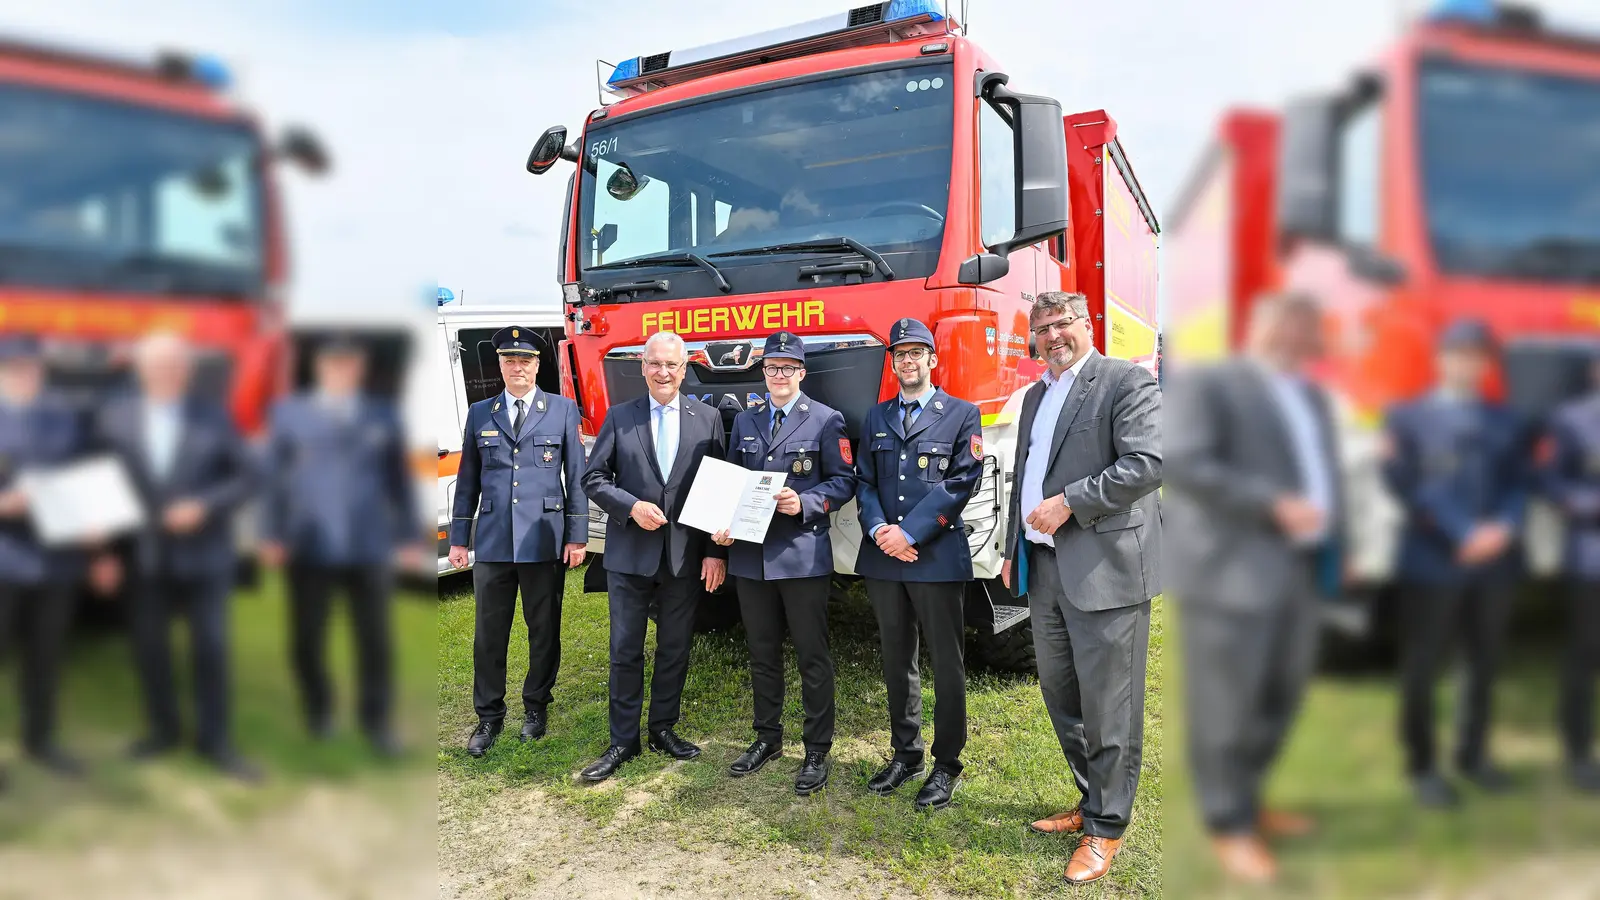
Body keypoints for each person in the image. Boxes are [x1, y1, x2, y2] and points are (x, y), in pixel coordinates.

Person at [1165, 293, 1342, 883]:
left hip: (1299, 567)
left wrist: (1339, 540)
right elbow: (1185, 462)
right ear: (1265, 327)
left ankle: (1252, 799)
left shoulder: (1313, 397)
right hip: (1231, 572)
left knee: (1281, 694)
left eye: (1308, 327)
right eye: (1290, 325)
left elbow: (1325, 475)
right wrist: (1271, 504)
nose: (1301, 337)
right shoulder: (1214, 384)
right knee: (1226, 705)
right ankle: (1228, 824)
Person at [1000, 291, 1162, 885]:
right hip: (1045, 569)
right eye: (1041, 328)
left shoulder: (1125, 381)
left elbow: (1147, 463)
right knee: (1060, 694)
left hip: (1105, 568)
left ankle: (1106, 826)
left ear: (1086, 324)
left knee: (1109, 705)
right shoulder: (1035, 395)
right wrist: (1010, 548)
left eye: (1061, 324)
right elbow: (1025, 475)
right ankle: (1091, 798)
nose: (1051, 337)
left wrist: (1070, 502)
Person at [94, 332, 260, 781]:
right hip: (143, 556)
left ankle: (214, 741)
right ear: (140, 370)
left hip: (205, 556)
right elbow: (100, 486)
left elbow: (247, 477)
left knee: (210, 649)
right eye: (156, 365)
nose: (165, 373)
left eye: (174, 365)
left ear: (186, 372)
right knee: (150, 648)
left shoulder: (213, 416)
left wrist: (204, 505)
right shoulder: (114, 418)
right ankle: (162, 731)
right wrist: (102, 554)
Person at [1381, 318, 1528, 807]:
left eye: (1477, 355)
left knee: (1483, 662)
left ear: (1487, 364)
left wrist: (1503, 527)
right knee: (1423, 667)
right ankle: (1423, 766)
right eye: (1457, 353)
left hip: (1495, 563)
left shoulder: (1506, 419)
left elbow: (1518, 482)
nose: (1467, 363)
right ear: (1440, 359)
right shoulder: (1406, 416)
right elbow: (1405, 482)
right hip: (1433, 560)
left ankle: (1472, 755)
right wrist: (1462, 531)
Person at [260, 335, 423, 756]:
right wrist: (272, 533)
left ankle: (377, 723)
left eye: (349, 364)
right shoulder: (288, 414)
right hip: (308, 543)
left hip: (368, 544)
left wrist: (408, 535)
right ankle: (319, 712)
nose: (341, 371)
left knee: (374, 640)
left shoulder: (382, 415)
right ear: (320, 368)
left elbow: (398, 481)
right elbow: (272, 480)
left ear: (358, 369)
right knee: (307, 638)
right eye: (334, 364)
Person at [580, 331, 727, 783]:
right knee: (625, 651)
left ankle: (663, 728)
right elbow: (593, 478)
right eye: (655, 363)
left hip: (684, 556)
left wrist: (714, 553)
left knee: (675, 648)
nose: (663, 372)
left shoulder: (708, 419)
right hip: (630, 556)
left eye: (672, 365)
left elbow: (718, 489)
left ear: (685, 369)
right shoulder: (620, 416)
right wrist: (630, 507)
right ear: (643, 367)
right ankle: (623, 741)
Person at [712, 332, 855, 796]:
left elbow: (844, 481)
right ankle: (767, 738)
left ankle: (816, 749)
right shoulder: (746, 420)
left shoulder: (826, 420)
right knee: (762, 653)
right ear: (764, 372)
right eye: (772, 367)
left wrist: (806, 502)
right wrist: (721, 525)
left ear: (802, 373)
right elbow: (732, 482)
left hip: (800, 556)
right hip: (751, 557)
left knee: (812, 656)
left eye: (788, 368)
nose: (779, 375)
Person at [854, 318, 983, 811]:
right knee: (896, 658)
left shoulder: (962, 414)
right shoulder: (877, 416)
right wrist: (879, 531)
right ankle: (906, 754)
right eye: (899, 354)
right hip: (885, 558)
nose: (907, 361)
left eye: (915, 353)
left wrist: (909, 533)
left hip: (936, 557)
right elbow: (865, 481)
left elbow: (961, 482)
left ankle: (946, 764)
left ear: (933, 359)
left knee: (947, 664)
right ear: (892, 363)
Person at [447, 326, 587, 758]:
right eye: (510, 360)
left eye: (525, 360)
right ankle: (489, 715)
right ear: (500, 366)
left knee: (543, 630)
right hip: (493, 542)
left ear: (537, 365)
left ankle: (535, 707)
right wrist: (458, 539)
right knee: (489, 634)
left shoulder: (562, 410)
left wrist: (577, 535)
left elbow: (576, 477)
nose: (518, 367)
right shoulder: (480, 413)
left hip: (543, 538)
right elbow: (467, 480)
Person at [0, 335, 87, 779]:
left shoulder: (64, 418)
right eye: (15, 367)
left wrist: (94, 522)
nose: (25, 375)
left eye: (33, 367)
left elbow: (84, 477)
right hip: (4, 558)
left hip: (56, 559)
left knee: (46, 656)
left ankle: (40, 740)